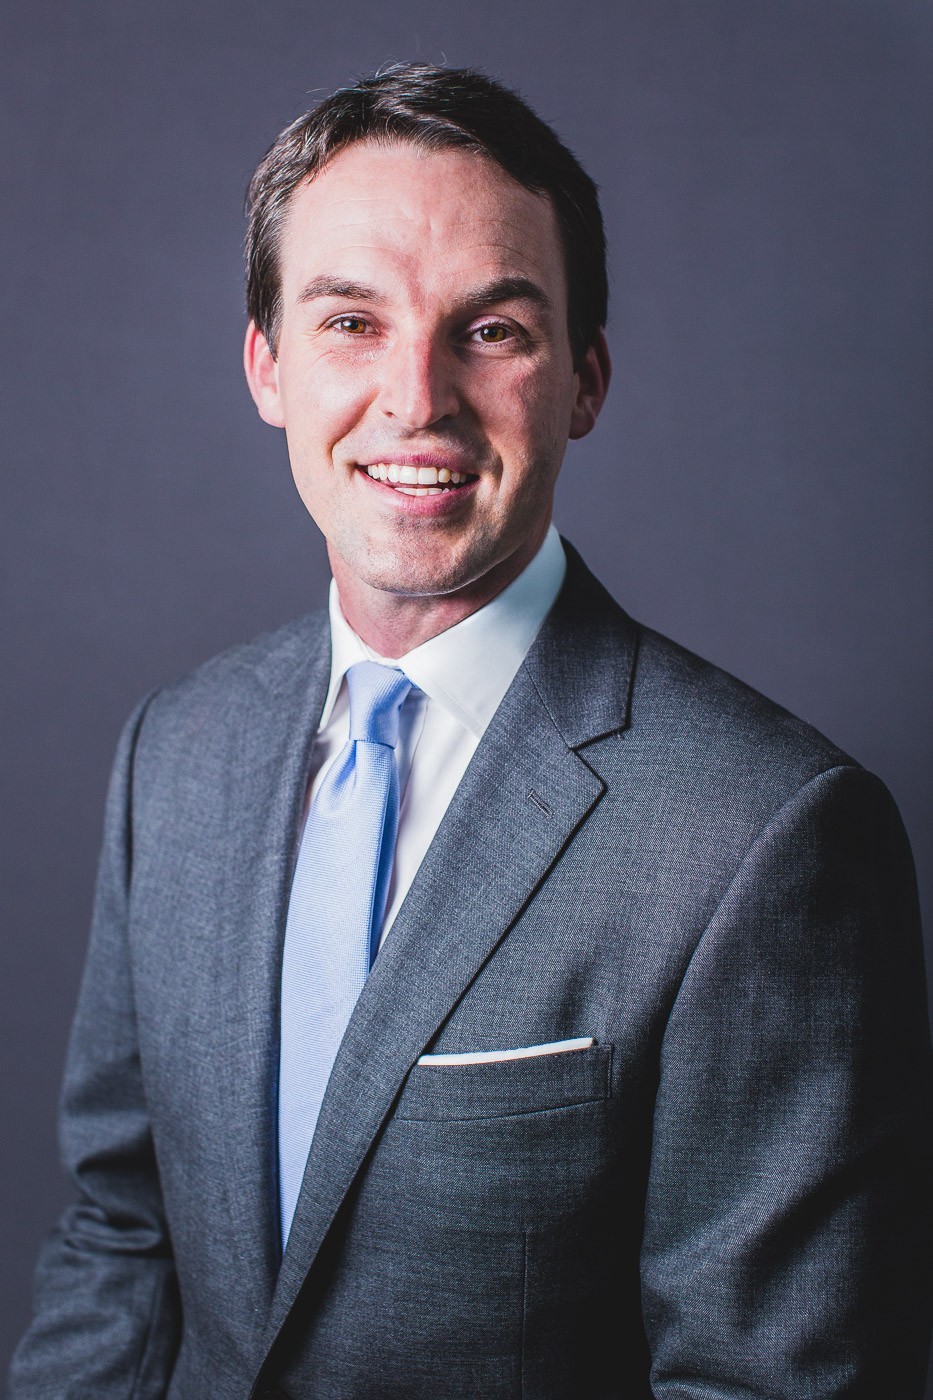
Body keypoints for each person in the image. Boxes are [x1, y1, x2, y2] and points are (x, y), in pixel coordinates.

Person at [9, 62, 933, 1400]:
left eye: (489, 330)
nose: (414, 397)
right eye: (349, 322)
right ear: (265, 364)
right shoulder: (178, 752)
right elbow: (121, 1237)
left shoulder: (766, 833)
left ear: (585, 380)